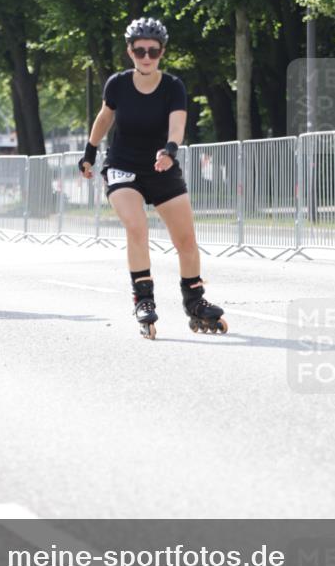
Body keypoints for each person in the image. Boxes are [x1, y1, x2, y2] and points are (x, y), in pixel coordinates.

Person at [78, 17, 227, 338]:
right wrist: (89, 152)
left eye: (153, 51)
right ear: (129, 51)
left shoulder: (173, 86)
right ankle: (143, 299)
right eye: (140, 50)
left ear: (162, 52)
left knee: (185, 239)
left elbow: (177, 124)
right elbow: (105, 117)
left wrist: (170, 150)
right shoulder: (117, 84)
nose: (147, 57)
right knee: (137, 226)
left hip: (162, 165)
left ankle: (195, 302)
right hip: (123, 165)